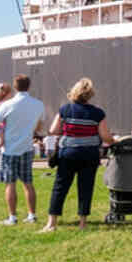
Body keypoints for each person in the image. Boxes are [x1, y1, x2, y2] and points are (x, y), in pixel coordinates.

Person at [41, 77, 114, 233]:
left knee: (60, 187)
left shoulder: (65, 110)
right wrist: (115, 141)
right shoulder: (98, 113)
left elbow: (53, 130)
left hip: (68, 154)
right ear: (90, 94)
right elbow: (105, 136)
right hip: (89, 154)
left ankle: (51, 223)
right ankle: (82, 223)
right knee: (86, 188)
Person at [0, 74, 46, 224]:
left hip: (10, 148)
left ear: (15, 87)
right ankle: (32, 215)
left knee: (10, 184)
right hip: (27, 147)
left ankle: (12, 217)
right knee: (28, 183)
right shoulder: (38, 104)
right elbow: (39, 126)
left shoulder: (7, 105)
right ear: (29, 86)